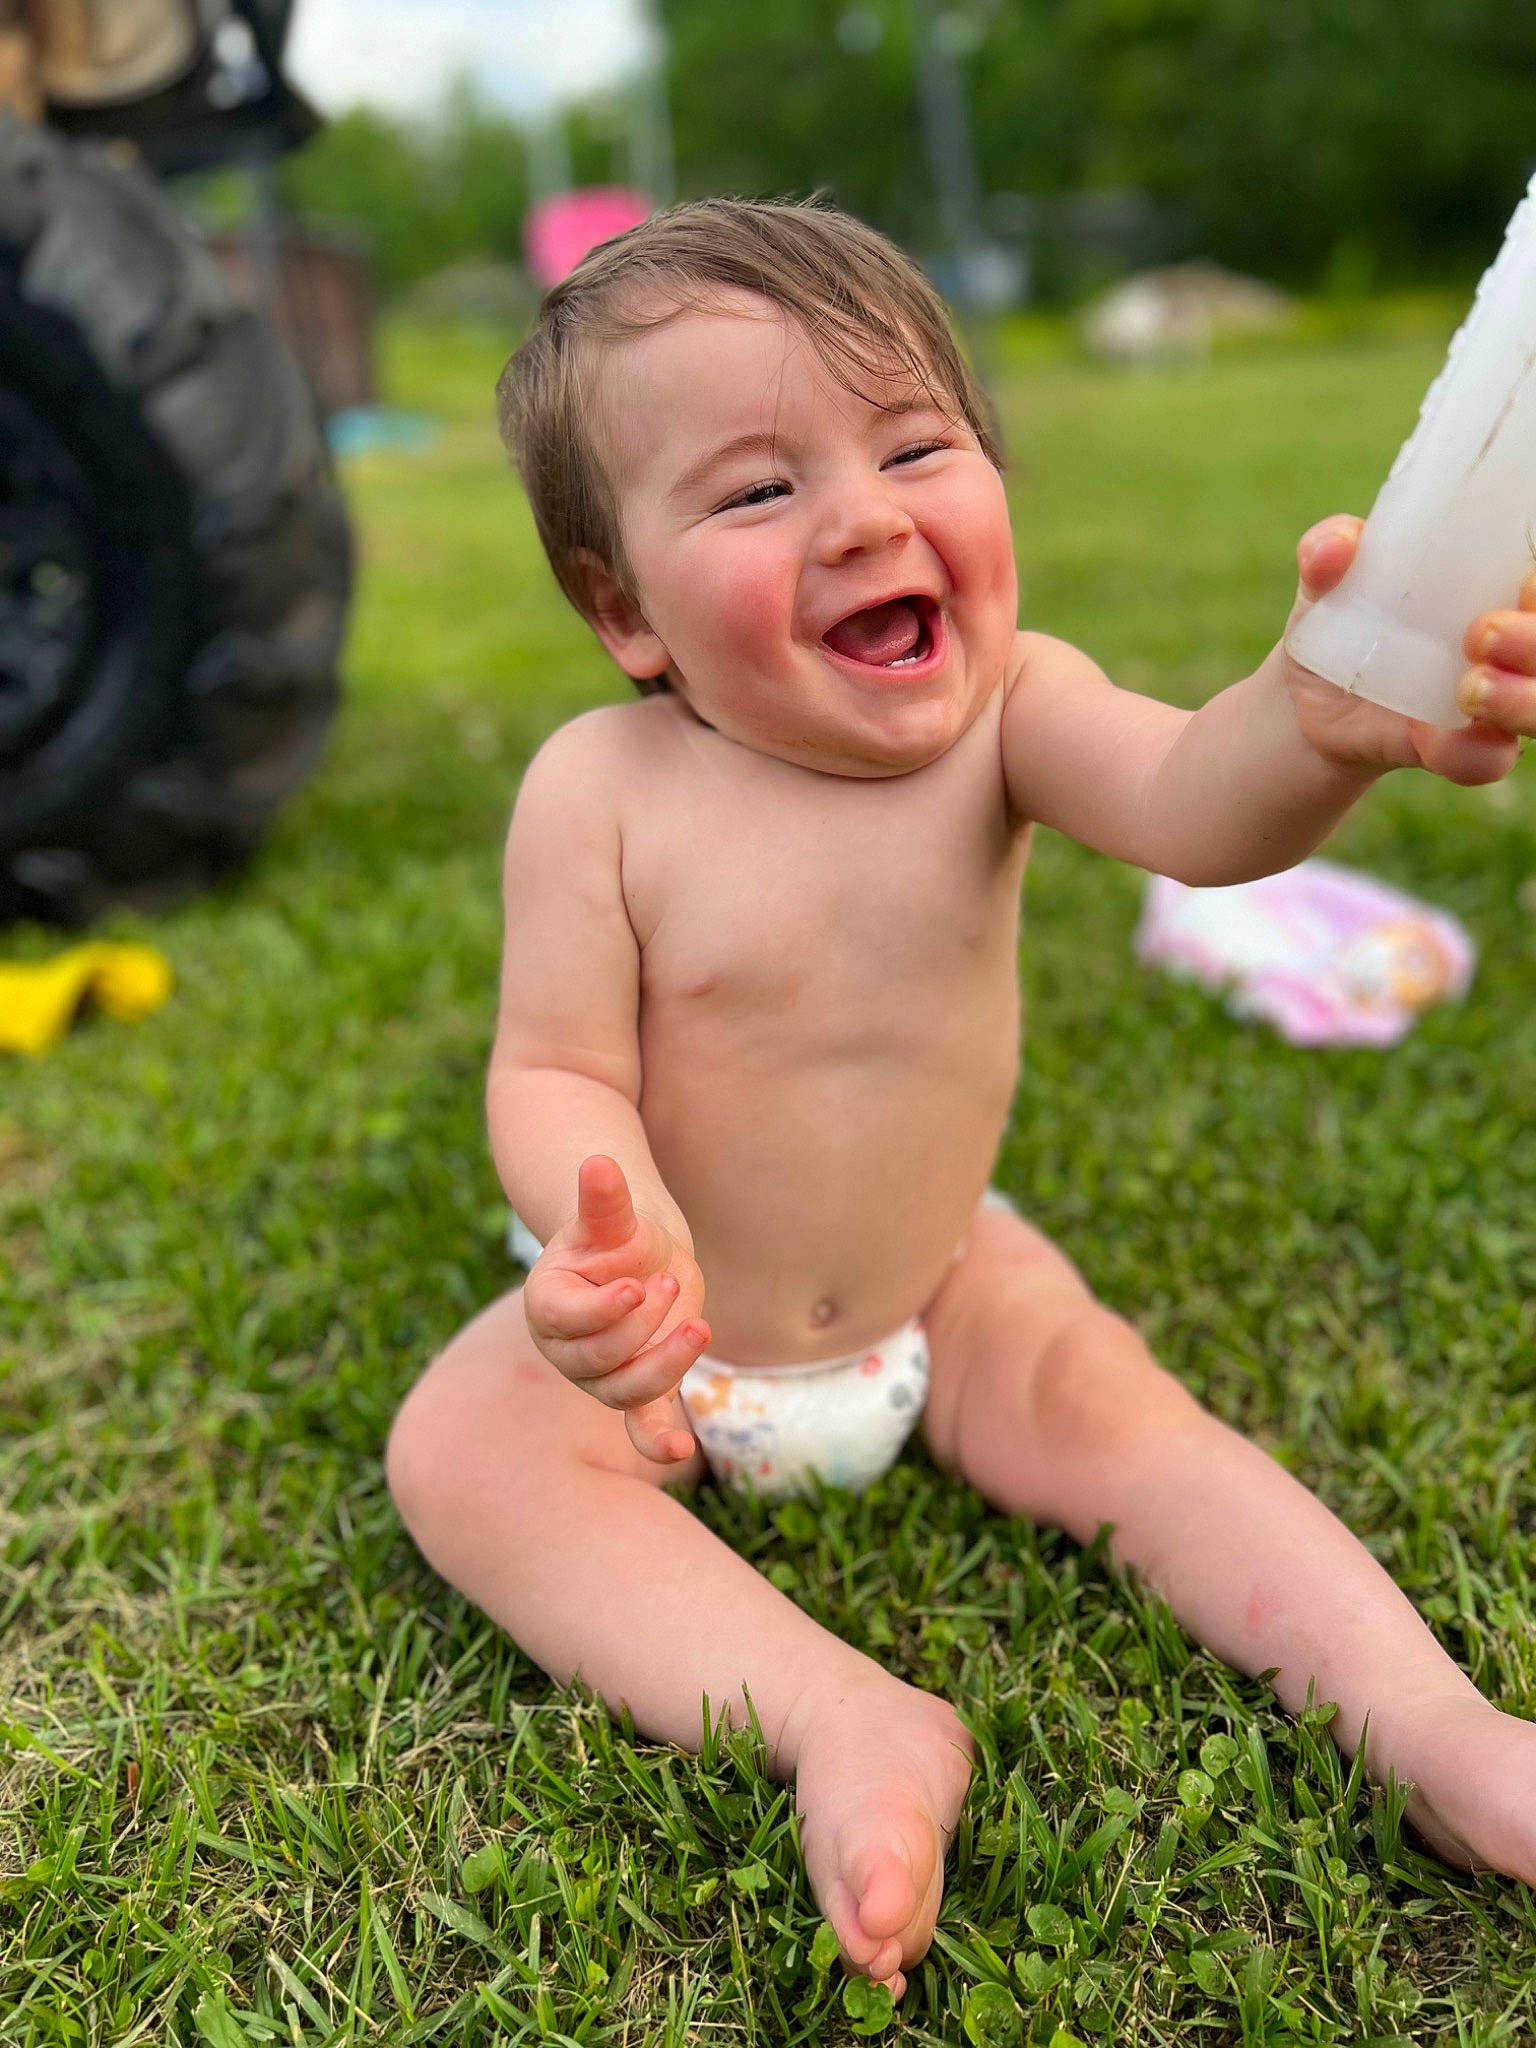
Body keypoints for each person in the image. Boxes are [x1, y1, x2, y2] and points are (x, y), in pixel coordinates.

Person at [385, 197, 1536, 1999]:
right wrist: (608, 1232)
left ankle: (1453, 1738)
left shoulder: (1014, 708)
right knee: (466, 1452)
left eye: (918, 443)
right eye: (758, 492)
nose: (863, 513)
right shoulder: (598, 792)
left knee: (1125, 1415)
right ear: (623, 607)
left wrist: (1320, 720)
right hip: (682, 1347)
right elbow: (554, 1065)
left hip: (937, 1283)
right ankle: (845, 1719)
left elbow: (1191, 801)